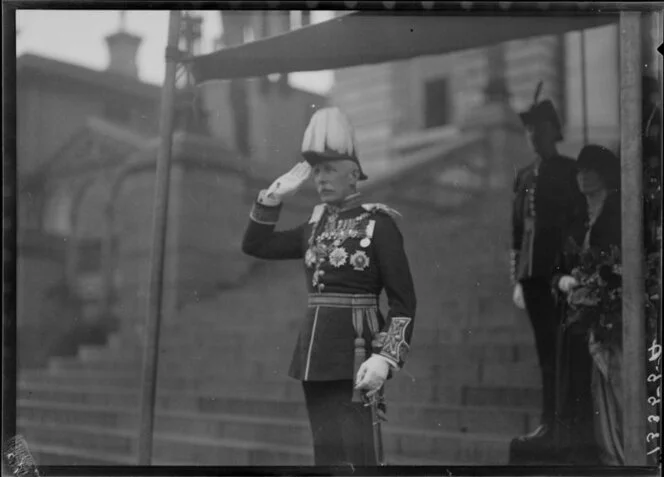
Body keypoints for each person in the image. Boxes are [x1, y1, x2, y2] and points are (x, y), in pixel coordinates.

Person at [241, 107, 417, 466]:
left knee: (359, 457)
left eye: (330, 169)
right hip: (314, 354)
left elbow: (404, 301)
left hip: (357, 353)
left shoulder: (378, 225)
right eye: (317, 171)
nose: (320, 178)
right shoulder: (313, 226)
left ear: (354, 176)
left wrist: (386, 357)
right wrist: (272, 198)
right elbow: (256, 246)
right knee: (326, 459)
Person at [508, 82, 586, 463]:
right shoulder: (523, 176)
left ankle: (563, 426)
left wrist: (569, 270)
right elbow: (516, 231)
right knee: (545, 353)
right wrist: (516, 279)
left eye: (539, 129)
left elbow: (576, 222)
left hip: (559, 275)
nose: (533, 136)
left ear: (554, 131)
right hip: (531, 276)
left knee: (561, 353)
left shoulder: (568, 170)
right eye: (528, 130)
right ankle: (548, 424)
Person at [553, 145, 623, 465]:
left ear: (603, 173)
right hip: (582, 313)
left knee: (614, 383)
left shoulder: (619, 211)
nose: (582, 177)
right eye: (579, 171)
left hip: (612, 314)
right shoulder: (579, 218)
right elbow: (558, 267)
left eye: (589, 170)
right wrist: (564, 280)